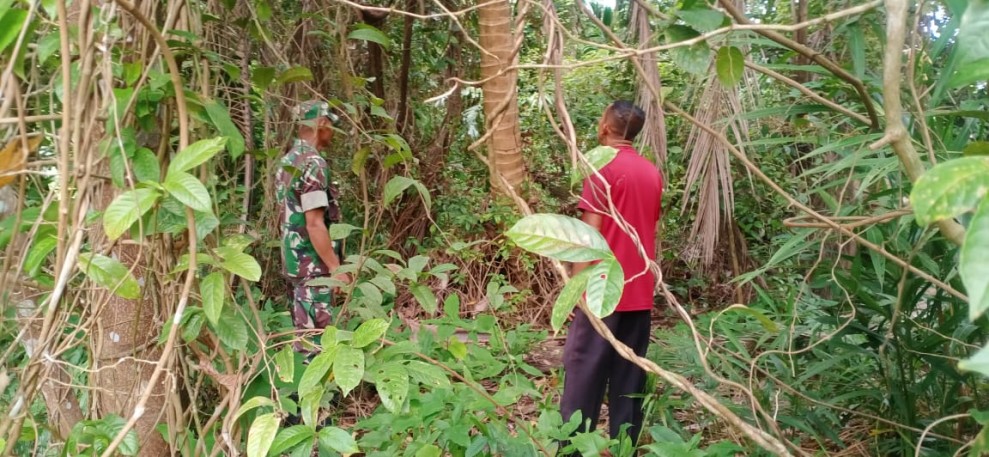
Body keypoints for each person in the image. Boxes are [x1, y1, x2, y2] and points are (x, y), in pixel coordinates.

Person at [560, 100, 663, 451]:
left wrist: (578, 292)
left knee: (582, 376)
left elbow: (589, 237)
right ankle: (624, 448)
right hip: (640, 290)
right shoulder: (652, 172)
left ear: (606, 126)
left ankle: (572, 448)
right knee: (629, 378)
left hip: (603, 291)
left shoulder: (600, 168)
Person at [276, 100, 350, 353]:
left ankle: (305, 388)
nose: (333, 131)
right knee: (320, 333)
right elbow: (315, 223)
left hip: (295, 260)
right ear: (321, 123)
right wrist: (335, 267)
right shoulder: (313, 164)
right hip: (312, 263)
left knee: (305, 329)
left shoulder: (289, 160)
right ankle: (321, 390)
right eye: (331, 125)